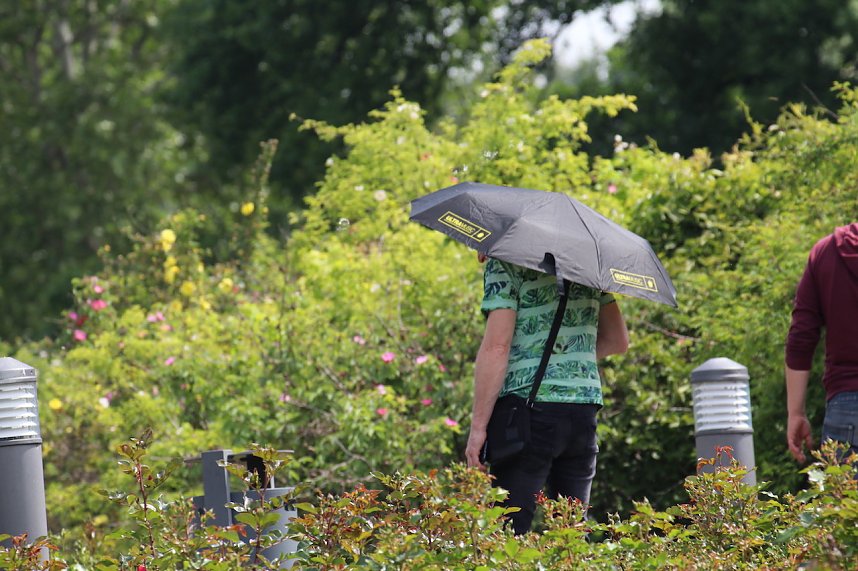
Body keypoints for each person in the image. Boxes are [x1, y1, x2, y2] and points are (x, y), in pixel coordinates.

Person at [465, 255, 629, 534]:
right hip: (583, 410)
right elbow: (618, 341)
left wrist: (478, 428)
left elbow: (496, 347)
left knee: (508, 536)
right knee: (571, 537)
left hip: (528, 411)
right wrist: (564, 363)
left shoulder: (506, 260)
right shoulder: (588, 265)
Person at [785, 223, 858, 464]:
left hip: (846, 407)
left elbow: (801, 337)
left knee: (845, 501)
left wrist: (796, 412)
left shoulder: (827, 252)